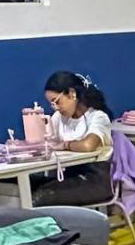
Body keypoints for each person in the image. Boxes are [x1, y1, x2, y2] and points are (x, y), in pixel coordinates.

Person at [36, 71, 115, 207]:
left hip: (95, 181)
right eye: (52, 104)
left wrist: (65, 145)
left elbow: (88, 145)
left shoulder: (98, 117)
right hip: (69, 175)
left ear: (72, 94)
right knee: (30, 187)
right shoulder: (58, 118)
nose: (55, 107)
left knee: (41, 197)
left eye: (56, 102)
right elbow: (46, 143)